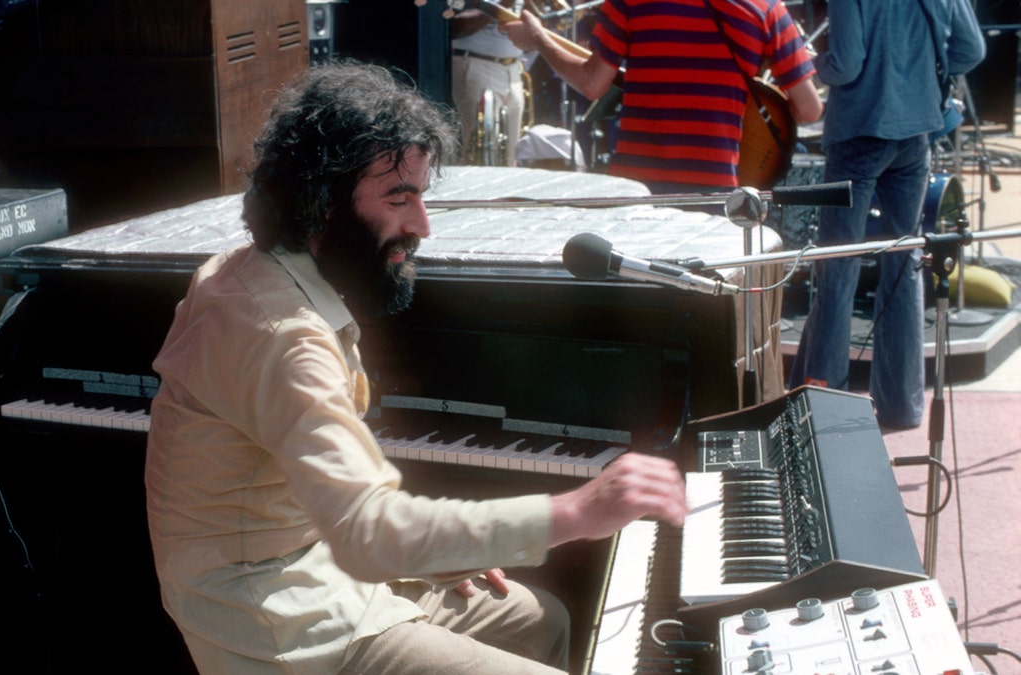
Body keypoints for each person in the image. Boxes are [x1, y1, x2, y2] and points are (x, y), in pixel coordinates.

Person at [143, 61, 688, 674]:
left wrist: (434, 551)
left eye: (421, 197)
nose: (421, 226)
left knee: (543, 621)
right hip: (280, 622)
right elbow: (370, 530)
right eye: (399, 198)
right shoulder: (286, 337)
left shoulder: (246, 268)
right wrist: (579, 511)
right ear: (320, 202)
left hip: (313, 562)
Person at [788, 0, 984, 429]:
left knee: (837, 269)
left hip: (858, 131)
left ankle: (825, 406)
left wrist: (803, 61)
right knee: (905, 264)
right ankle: (902, 405)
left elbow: (846, 65)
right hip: (917, 134)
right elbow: (970, 51)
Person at [502, 0, 824, 193]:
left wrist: (540, 40)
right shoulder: (767, 8)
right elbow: (810, 109)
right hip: (714, 189)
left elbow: (592, 84)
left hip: (636, 186)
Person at [451, 2, 529, 166]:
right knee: (476, 153)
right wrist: (499, 6)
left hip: (513, 69)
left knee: (511, 154)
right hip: (476, 63)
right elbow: (453, 25)